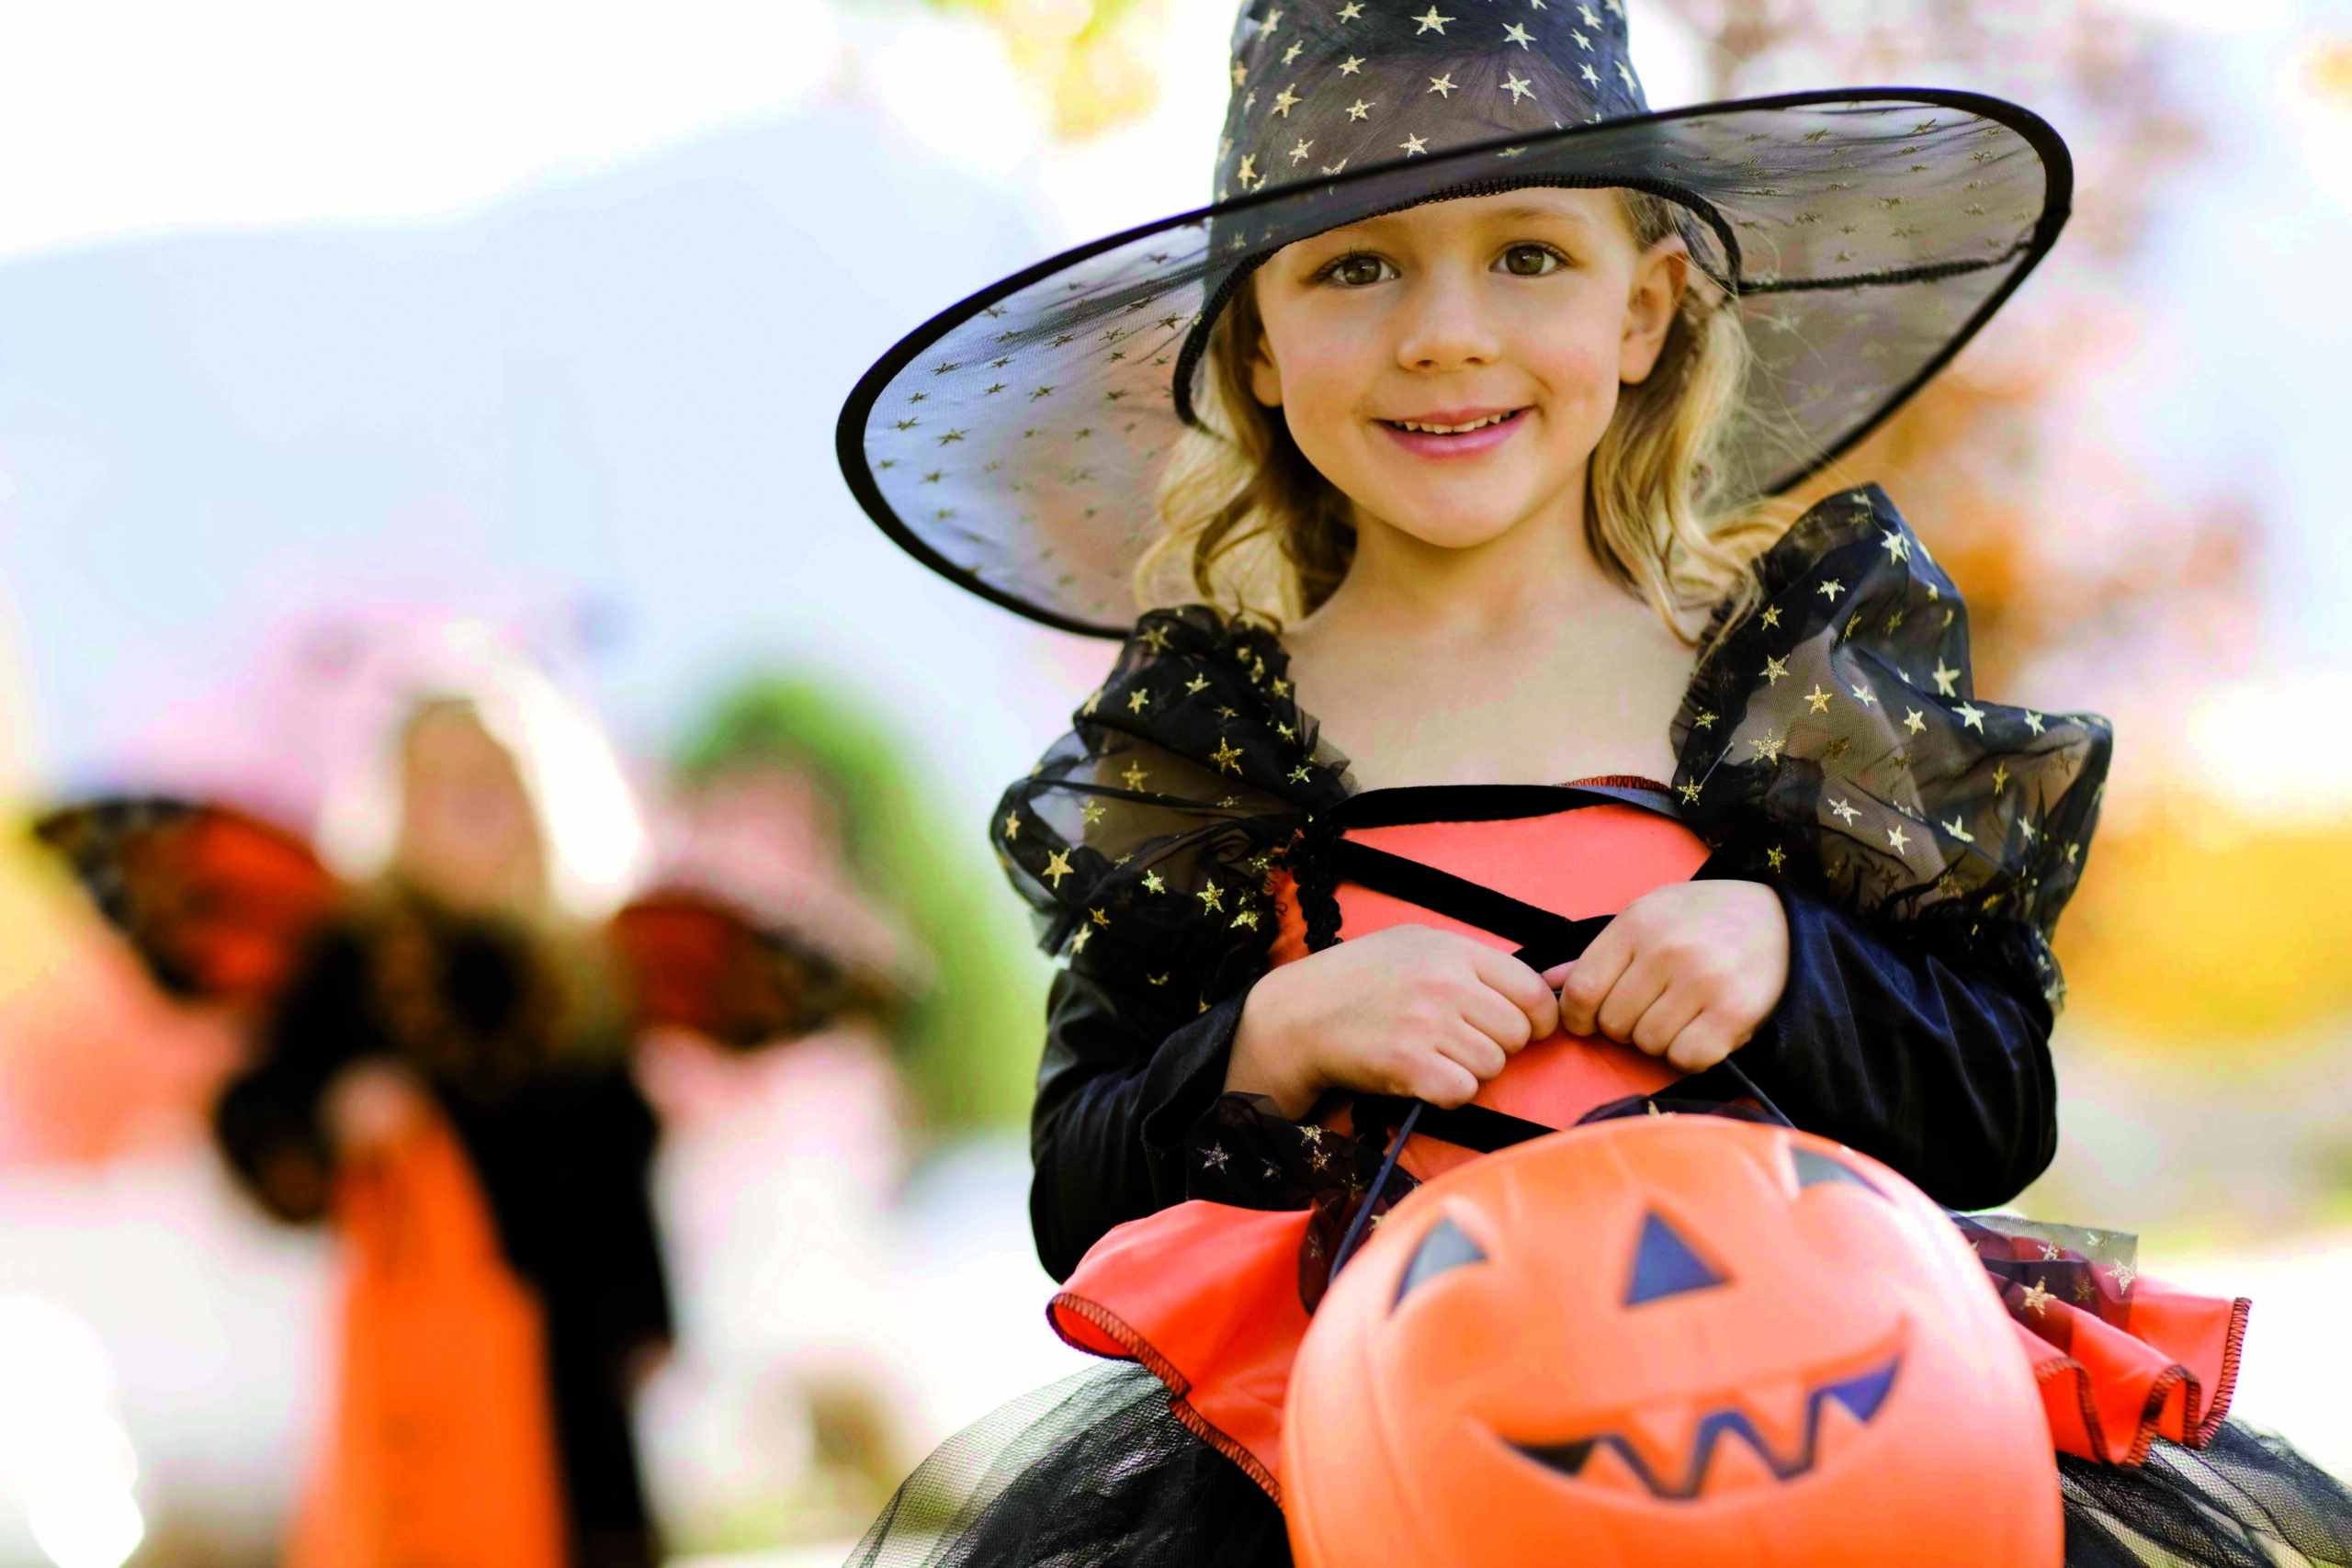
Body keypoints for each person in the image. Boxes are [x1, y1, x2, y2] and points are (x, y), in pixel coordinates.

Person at [832, 3, 2352, 1564]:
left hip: (1817, 1428)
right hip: (1374, 1484)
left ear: (1647, 311)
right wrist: (1279, 1034)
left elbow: (1993, 1101)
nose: (1445, 332)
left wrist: (1790, 956)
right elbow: (1079, 1201)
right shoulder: (1214, 752)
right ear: (1259, 344)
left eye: (1529, 256)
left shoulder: (1791, 691)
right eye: (1355, 265)